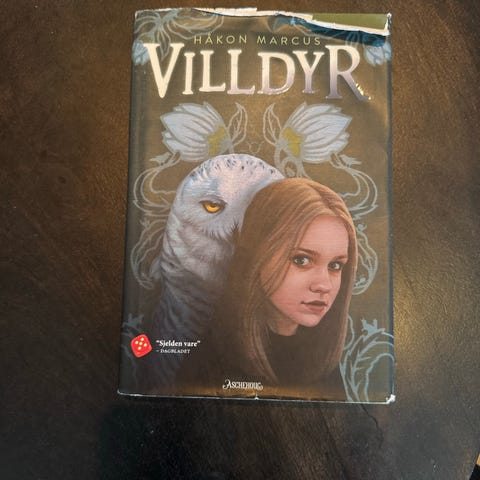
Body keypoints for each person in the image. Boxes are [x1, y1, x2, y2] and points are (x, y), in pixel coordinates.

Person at [180, 178, 358, 398]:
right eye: (301, 260)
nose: (324, 285)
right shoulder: (209, 360)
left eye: (335, 265)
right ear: (258, 253)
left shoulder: (322, 364)